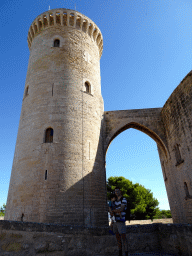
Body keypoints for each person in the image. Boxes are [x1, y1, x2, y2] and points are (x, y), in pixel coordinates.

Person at [112, 187, 128, 256]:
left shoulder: (123, 199)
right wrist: (114, 211)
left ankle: (126, 253)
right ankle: (120, 254)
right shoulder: (115, 201)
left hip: (121, 221)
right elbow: (112, 210)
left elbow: (121, 209)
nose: (116, 192)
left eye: (117, 191)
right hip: (115, 221)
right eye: (115, 191)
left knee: (124, 238)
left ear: (120, 191)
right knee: (118, 238)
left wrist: (114, 211)